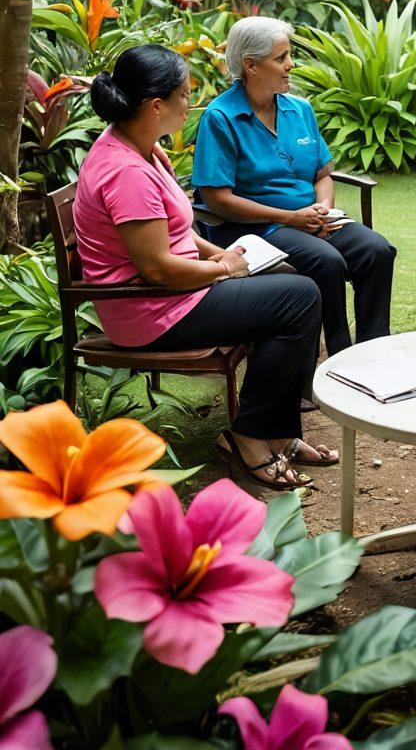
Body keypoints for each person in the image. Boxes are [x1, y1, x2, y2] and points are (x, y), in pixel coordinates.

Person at [74, 43, 338, 491]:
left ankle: (279, 432)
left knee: (292, 285)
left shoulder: (143, 147)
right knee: (298, 298)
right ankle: (248, 437)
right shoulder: (126, 172)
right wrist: (226, 269)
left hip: (173, 294)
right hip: (150, 311)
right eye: (184, 95)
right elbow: (158, 268)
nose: (190, 104)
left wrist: (215, 253)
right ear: (156, 106)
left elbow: (175, 231)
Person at [191, 16, 396, 355]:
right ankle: (339, 358)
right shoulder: (221, 118)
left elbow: (322, 173)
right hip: (256, 228)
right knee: (326, 262)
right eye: (281, 58)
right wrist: (290, 218)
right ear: (250, 65)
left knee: (376, 250)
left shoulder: (299, 109)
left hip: (310, 220)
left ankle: (374, 353)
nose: (291, 65)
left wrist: (323, 209)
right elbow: (216, 199)